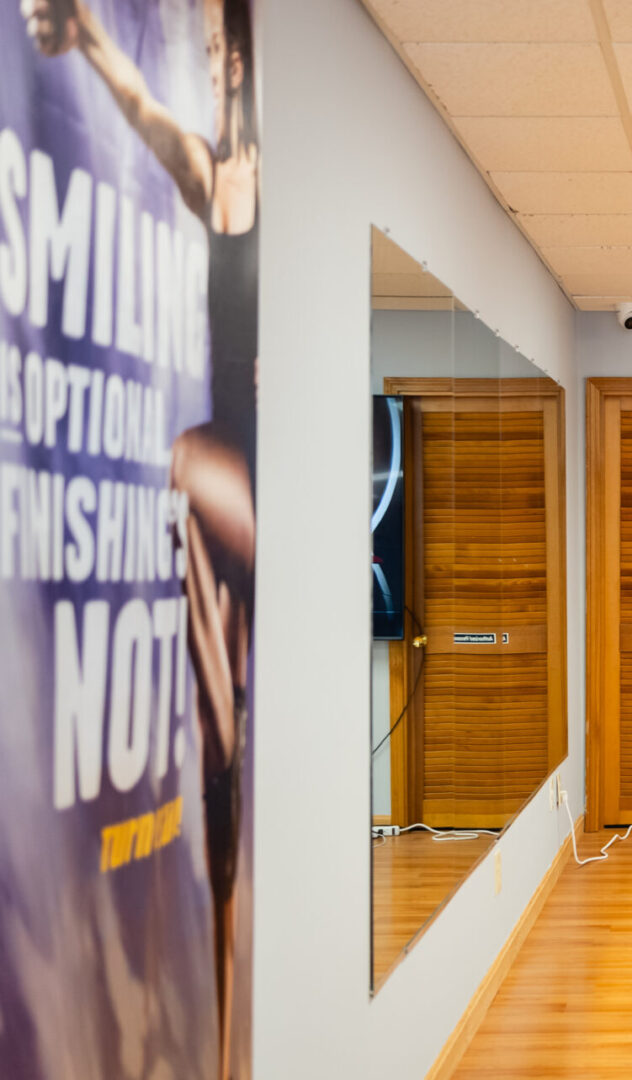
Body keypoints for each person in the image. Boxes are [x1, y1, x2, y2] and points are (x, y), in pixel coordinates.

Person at [25, 1, 258, 1075]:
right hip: (226, 482)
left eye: (218, 52)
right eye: (200, 51)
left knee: (178, 460)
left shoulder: (260, 182)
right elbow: (141, 104)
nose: (207, 66)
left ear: (242, 61)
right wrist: (90, 40)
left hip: (245, 476)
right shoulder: (213, 171)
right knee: (221, 766)